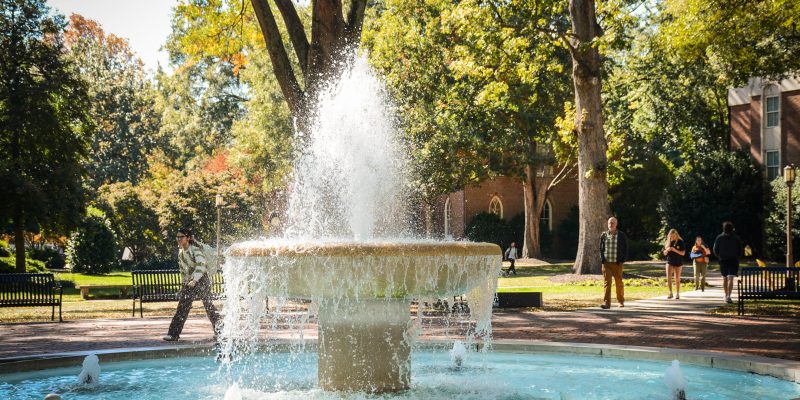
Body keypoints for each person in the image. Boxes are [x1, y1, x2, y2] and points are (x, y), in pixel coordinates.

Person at [163, 228, 220, 341]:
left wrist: (195, 280)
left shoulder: (196, 250)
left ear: (188, 238)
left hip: (201, 281)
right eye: (178, 237)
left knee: (209, 307)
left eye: (181, 237)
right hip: (191, 283)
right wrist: (185, 282)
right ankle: (173, 334)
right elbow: (183, 270)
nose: (179, 239)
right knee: (183, 307)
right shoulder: (181, 253)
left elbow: (201, 265)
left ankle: (220, 331)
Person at [599, 217, 628, 309]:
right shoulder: (603, 235)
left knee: (619, 282)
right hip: (606, 263)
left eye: (613, 223)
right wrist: (602, 259)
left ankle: (620, 301)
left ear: (616, 224)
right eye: (609, 223)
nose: (611, 224)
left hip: (617, 263)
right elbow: (601, 248)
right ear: (607, 224)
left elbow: (625, 248)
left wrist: (622, 259)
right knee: (607, 283)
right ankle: (607, 303)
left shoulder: (621, 235)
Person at [713, 221, 743, 304]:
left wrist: (719, 256)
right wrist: (737, 257)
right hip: (733, 260)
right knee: (731, 278)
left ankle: (726, 295)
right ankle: (729, 295)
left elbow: (715, 250)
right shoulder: (736, 238)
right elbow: (740, 250)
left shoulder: (719, 237)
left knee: (725, 278)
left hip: (723, 260)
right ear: (732, 229)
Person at [663, 229, 686, 299]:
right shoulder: (667, 242)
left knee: (677, 278)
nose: (672, 237)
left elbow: (683, 253)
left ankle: (678, 293)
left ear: (676, 235)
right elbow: (664, 253)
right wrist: (667, 250)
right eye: (671, 236)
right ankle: (670, 293)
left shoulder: (680, 242)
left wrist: (674, 250)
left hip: (678, 262)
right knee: (669, 277)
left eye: (673, 236)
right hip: (669, 261)